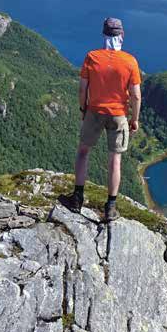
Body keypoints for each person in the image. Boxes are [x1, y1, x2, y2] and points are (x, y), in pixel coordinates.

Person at [58, 17, 141, 222]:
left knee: (83, 152)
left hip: (94, 112)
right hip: (118, 115)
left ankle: (77, 198)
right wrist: (134, 119)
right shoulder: (130, 61)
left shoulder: (91, 57)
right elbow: (136, 95)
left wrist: (83, 109)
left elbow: (82, 88)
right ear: (122, 35)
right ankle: (111, 206)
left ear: (104, 35)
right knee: (115, 160)